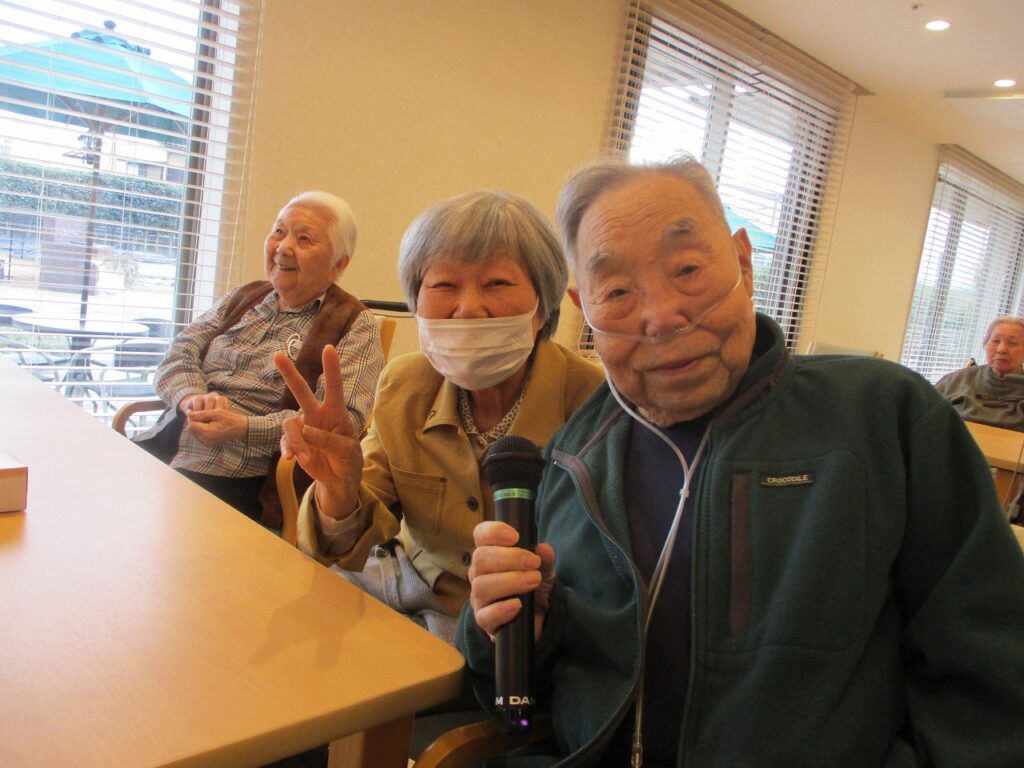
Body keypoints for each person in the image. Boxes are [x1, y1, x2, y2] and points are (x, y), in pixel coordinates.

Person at [459, 156, 1024, 767]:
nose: (661, 316)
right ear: (583, 307)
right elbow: (521, 704)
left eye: (688, 270)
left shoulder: (882, 417)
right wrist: (514, 632)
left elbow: (992, 673)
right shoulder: (574, 456)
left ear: (744, 263)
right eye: (617, 291)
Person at [275, 190, 604, 642]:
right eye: (444, 286)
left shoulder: (589, 402)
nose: (468, 308)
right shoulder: (405, 384)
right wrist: (338, 489)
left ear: (543, 304)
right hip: (398, 587)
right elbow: (351, 542)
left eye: (497, 284)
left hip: (513, 630)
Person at [135, 191, 385, 527]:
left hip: (247, 482)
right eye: (279, 231)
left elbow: (340, 422)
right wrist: (192, 398)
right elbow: (179, 353)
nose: (284, 247)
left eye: (304, 239)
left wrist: (242, 428)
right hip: (166, 444)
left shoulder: (354, 323)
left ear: (338, 264)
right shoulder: (243, 297)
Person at [935, 315, 1024, 430]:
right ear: (985, 344)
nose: (1001, 349)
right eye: (995, 341)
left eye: (1012, 343)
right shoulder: (956, 380)